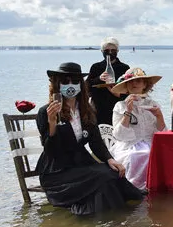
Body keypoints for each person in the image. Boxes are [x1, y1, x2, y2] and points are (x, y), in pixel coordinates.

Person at [36, 62, 143, 216]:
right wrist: (52, 124)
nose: (70, 85)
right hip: (57, 173)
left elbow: (95, 141)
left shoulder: (87, 109)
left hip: (81, 165)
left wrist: (110, 159)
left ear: (81, 84)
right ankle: (122, 214)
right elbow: (52, 151)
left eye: (74, 81)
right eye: (65, 82)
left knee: (111, 176)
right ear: (58, 85)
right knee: (105, 176)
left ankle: (110, 222)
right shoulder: (45, 112)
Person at [110, 67, 165, 191]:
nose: (134, 84)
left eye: (138, 81)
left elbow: (161, 132)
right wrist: (128, 112)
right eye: (131, 82)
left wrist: (159, 116)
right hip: (129, 145)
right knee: (139, 154)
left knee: (160, 154)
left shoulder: (153, 104)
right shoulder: (120, 106)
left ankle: (158, 188)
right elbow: (119, 135)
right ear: (126, 86)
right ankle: (135, 189)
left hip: (151, 143)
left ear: (145, 84)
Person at [86, 37, 130, 125]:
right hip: (99, 109)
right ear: (102, 51)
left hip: (119, 108)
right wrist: (99, 79)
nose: (110, 53)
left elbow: (130, 90)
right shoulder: (96, 67)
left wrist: (119, 95)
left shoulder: (124, 68)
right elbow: (87, 87)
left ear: (117, 51)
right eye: (107, 50)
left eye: (113, 50)